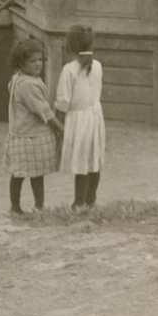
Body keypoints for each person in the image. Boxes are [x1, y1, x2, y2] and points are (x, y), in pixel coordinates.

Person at [4, 39, 62, 214]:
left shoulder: (18, 79)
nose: (38, 64)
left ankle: (28, 206)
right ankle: (26, 206)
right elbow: (43, 110)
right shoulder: (29, 84)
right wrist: (59, 127)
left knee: (25, 173)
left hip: (22, 133)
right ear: (21, 63)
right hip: (30, 137)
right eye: (33, 61)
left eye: (40, 60)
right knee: (27, 174)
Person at [56, 25, 106, 210]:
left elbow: (63, 101)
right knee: (94, 158)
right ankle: (90, 200)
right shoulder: (98, 66)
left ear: (69, 46)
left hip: (79, 120)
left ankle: (79, 202)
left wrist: (57, 125)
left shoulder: (69, 70)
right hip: (95, 117)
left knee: (82, 160)